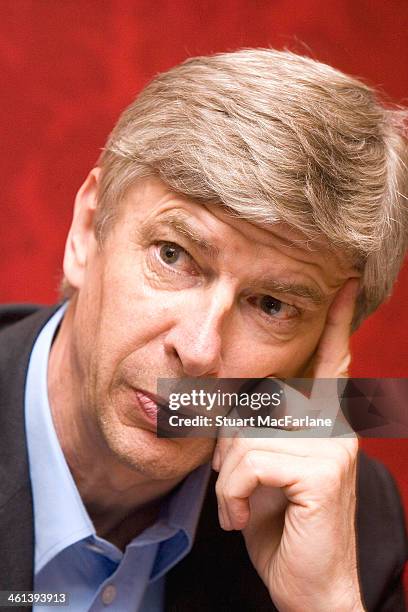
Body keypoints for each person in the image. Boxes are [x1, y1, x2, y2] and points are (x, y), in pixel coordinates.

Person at [0, 48, 407, 612]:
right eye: (173, 255)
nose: (196, 353)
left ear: (316, 356)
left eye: (271, 305)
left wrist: (323, 602)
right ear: (87, 231)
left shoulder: (356, 529)